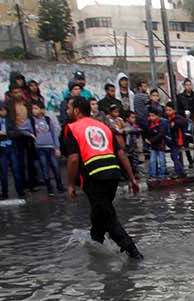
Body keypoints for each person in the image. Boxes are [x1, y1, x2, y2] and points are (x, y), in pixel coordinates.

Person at [61, 96, 143, 260]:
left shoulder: (72, 128)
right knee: (99, 213)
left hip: (94, 177)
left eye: (69, 108)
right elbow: (121, 153)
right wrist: (131, 178)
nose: (67, 111)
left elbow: (73, 159)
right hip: (113, 175)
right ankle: (96, 244)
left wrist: (70, 184)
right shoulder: (103, 126)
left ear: (76, 110)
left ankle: (133, 253)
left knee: (108, 218)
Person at [0, 101, 25, 199]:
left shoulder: (10, 120)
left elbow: (17, 133)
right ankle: (4, 193)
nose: (3, 112)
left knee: (16, 170)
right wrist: (2, 134)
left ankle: (20, 191)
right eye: (1, 110)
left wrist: (5, 133)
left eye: (4, 109)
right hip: (1, 148)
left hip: (11, 147)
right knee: (3, 172)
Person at [29, 101, 63, 195]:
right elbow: (21, 128)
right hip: (40, 148)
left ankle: (60, 185)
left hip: (51, 147)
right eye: (33, 109)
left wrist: (57, 147)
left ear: (42, 110)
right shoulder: (31, 121)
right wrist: (30, 134)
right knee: (44, 168)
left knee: (56, 167)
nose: (33, 111)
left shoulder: (47, 120)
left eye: (36, 108)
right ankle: (49, 189)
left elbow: (53, 134)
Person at [144, 108, 168, 181]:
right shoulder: (149, 123)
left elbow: (161, 134)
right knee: (152, 160)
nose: (151, 117)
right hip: (153, 145)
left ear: (157, 116)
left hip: (160, 144)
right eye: (150, 116)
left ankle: (162, 175)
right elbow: (147, 133)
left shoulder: (162, 123)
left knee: (161, 161)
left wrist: (150, 141)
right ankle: (153, 175)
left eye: (153, 116)